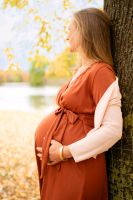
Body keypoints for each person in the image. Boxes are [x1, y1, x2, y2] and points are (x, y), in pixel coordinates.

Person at [35, 7, 123, 200]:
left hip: (77, 166)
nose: (67, 35)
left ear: (85, 32)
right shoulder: (82, 70)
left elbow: (113, 130)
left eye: (71, 29)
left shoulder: (101, 72)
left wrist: (63, 152)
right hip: (61, 165)